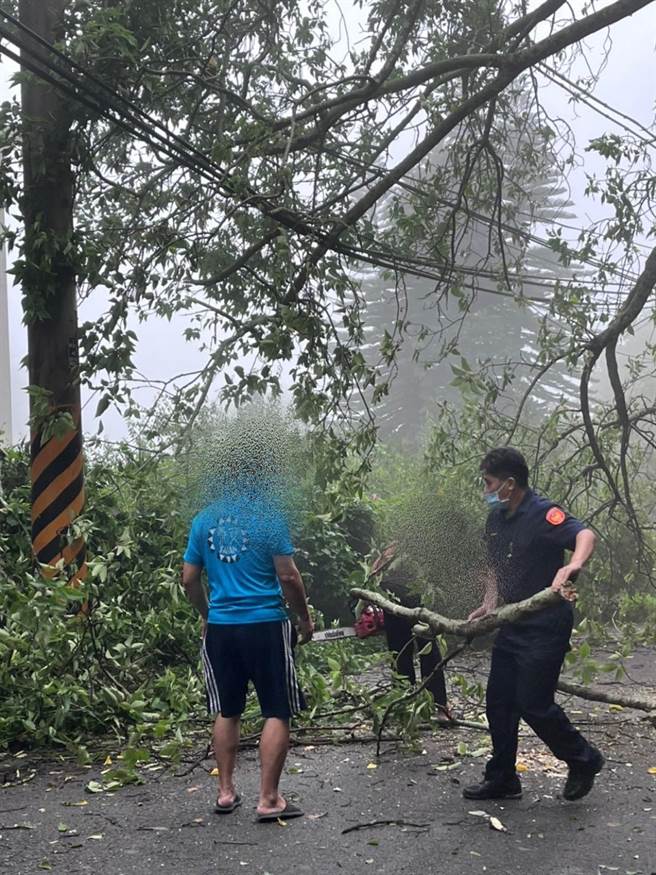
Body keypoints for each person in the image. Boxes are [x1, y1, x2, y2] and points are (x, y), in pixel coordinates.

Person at [463, 447, 604, 802]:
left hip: (546, 624)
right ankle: (502, 778)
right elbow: (494, 567)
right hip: (514, 621)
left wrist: (573, 565)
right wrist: (490, 601)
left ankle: (584, 759)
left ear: (509, 484)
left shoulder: (543, 513)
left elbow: (585, 536)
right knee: (499, 702)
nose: (485, 491)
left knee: (533, 703)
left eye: (488, 483)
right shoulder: (496, 520)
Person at [182, 478, 314, 822]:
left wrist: (207, 615)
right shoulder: (268, 517)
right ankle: (269, 799)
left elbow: (189, 578)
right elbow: (288, 577)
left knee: (227, 710)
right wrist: (303, 618)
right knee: (277, 709)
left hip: (222, 629)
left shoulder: (203, 520)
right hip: (266, 625)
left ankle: (225, 793)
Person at [372, 543, 451, 723]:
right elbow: (374, 572)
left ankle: (439, 705)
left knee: (428, 651)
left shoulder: (418, 546)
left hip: (417, 601)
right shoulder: (389, 548)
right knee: (399, 654)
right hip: (392, 603)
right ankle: (403, 703)